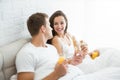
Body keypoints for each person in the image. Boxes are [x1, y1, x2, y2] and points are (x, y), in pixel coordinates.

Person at [10, 12, 84, 80]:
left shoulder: (51, 48)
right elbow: (57, 72)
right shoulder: (27, 53)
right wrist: (56, 74)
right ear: (43, 29)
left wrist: (72, 61)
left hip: (76, 75)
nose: (52, 28)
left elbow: (59, 66)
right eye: (49, 25)